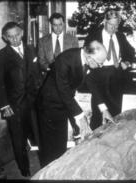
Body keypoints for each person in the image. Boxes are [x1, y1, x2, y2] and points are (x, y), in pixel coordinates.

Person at [36, 39, 114, 167]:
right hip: (49, 104)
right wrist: (80, 117)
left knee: (60, 144)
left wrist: (103, 109)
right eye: (100, 63)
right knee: (49, 147)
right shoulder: (65, 60)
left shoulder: (87, 60)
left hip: (64, 103)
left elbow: (92, 84)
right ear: (89, 57)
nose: (100, 66)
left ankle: (58, 169)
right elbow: (64, 91)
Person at [0, 22, 40, 176]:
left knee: (37, 132)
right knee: (18, 138)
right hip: (14, 105)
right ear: (5, 38)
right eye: (10, 37)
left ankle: (44, 161)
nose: (15, 39)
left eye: (17, 35)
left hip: (33, 101)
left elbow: (36, 75)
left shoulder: (31, 49)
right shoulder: (0, 56)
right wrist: (4, 105)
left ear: (22, 33)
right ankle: (24, 169)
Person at [84, 9, 135, 130]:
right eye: (111, 25)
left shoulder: (120, 36)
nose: (113, 28)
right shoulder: (94, 36)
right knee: (98, 111)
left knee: (115, 112)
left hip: (117, 76)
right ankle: (94, 141)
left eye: (116, 25)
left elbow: (130, 52)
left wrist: (127, 62)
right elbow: (86, 54)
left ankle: (112, 140)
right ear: (104, 21)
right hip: (99, 75)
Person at [37, 12, 80, 139]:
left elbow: (76, 61)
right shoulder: (43, 41)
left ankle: (77, 129)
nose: (58, 28)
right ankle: (57, 135)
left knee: (68, 102)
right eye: (54, 25)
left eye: (60, 25)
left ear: (64, 24)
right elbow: (41, 62)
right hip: (50, 81)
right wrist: (51, 69)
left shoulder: (72, 40)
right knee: (56, 108)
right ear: (51, 25)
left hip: (67, 81)